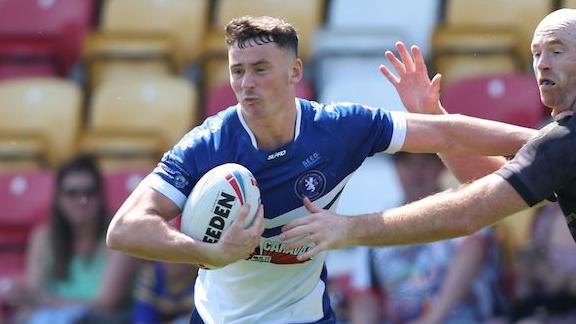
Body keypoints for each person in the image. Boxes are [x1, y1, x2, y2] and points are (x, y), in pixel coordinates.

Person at [106, 16, 536, 323]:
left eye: (260, 69)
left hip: (306, 316)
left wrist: (545, 144)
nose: (246, 84)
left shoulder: (338, 128)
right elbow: (124, 229)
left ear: (295, 71)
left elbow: (449, 134)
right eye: (237, 71)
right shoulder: (209, 143)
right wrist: (208, 253)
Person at [280, 8, 576, 265]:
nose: (542, 64)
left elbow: (468, 214)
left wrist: (349, 229)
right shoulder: (560, 143)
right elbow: (497, 181)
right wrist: (434, 118)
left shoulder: (563, 142)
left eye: (557, 50)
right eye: (537, 53)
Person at [349, 153, 504, 324]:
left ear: (442, 165)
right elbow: (365, 297)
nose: (417, 172)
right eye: (407, 163)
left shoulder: (465, 209)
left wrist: (432, 319)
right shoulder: (376, 226)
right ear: (396, 168)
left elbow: (473, 251)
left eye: (425, 162)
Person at [0, 155, 138, 323]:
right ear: (59, 198)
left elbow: (107, 304)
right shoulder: (44, 237)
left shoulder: (120, 237)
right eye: (71, 193)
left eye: (90, 192)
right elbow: (33, 292)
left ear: (101, 197)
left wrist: (42, 301)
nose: (82, 200)